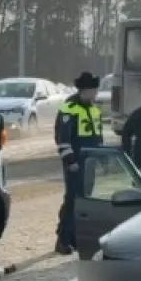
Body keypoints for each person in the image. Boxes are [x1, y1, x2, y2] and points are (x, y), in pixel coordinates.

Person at [54, 71, 104, 255]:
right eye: (94, 90)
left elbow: (98, 136)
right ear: (85, 90)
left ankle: (74, 237)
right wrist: (70, 160)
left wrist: (101, 157)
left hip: (90, 161)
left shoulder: (94, 108)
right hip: (76, 162)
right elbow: (62, 138)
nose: (96, 93)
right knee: (73, 201)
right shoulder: (69, 108)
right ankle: (63, 240)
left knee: (84, 201)